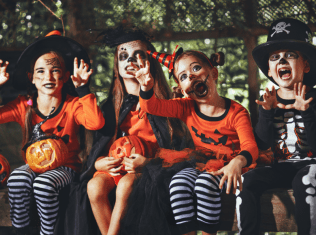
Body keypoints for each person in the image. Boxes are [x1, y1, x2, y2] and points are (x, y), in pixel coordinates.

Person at [132, 47, 258, 235]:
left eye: (195, 68)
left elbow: (251, 147)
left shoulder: (236, 112)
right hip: (201, 162)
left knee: (204, 184)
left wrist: (237, 162)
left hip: (229, 165)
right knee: (177, 184)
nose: (190, 77)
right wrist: (146, 87)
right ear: (182, 89)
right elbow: (151, 106)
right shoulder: (186, 107)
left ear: (213, 73)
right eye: (182, 76)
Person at [0, 34, 105, 235]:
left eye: (55, 71)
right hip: (33, 166)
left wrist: (83, 89)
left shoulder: (72, 105)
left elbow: (96, 123)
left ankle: (48, 232)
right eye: (41, 71)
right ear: (32, 77)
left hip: (67, 168)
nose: (48, 77)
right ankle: (22, 231)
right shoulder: (23, 106)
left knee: (44, 185)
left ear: (65, 76)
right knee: (17, 179)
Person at [86, 26, 189, 235]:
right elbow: (99, 149)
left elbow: (182, 153)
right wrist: (100, 162)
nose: (130, 61)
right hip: (118, 167)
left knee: (125, 185)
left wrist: (148, 164)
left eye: (138, 55)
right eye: (123, 56)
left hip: (151, 169)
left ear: (149, 63)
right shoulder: (110, 107)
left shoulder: (166, 104)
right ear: (117, 64)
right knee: (93, 187)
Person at [236, 18, 316, 235]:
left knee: (306, 179)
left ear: (306, 65)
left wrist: (306, 112)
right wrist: (267, 113)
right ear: (270, 71)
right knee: (245, 181)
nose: (282, 60)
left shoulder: (313, 98)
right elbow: (261, 143)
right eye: (275, 57)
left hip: (311, 166)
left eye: (290, 55)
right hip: (281, 168)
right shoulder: (268, 101)